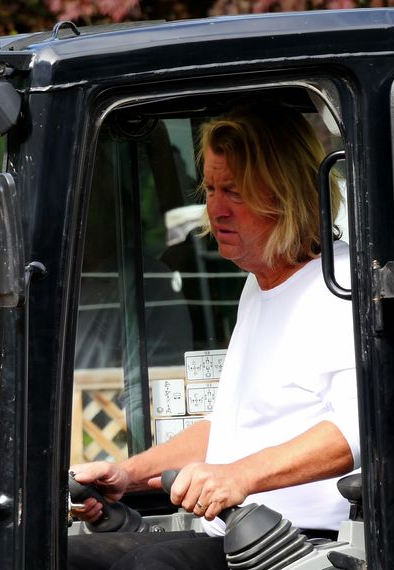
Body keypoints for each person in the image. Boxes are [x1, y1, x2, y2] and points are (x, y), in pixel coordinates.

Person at [68, 104, 358, 570]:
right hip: (231, 534)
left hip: (299, 546)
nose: (215, 209)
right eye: (211, 189)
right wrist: (127, 474)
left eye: (235, 193)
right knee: (59, 556)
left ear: (287, 195)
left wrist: (239, 477)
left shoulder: (340, 284)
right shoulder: (259, 284)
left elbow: (359, 429)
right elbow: (228, 432)